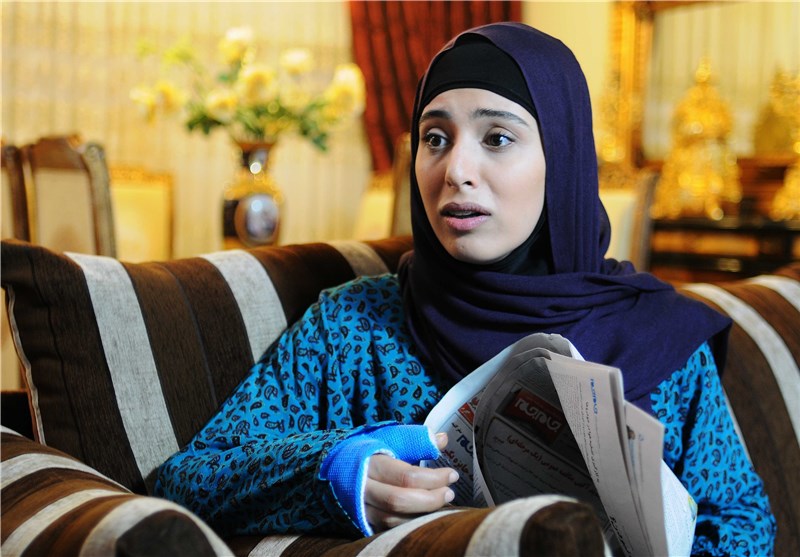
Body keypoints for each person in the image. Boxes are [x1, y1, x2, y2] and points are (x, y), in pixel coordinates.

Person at [154, 22, 776, 555]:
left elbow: (743, 523)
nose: (455, 170)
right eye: (435, 138)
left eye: (497, 138)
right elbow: (189, 478)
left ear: (561, 162)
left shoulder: (660, 339)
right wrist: (342, 469)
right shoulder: (353, 327)